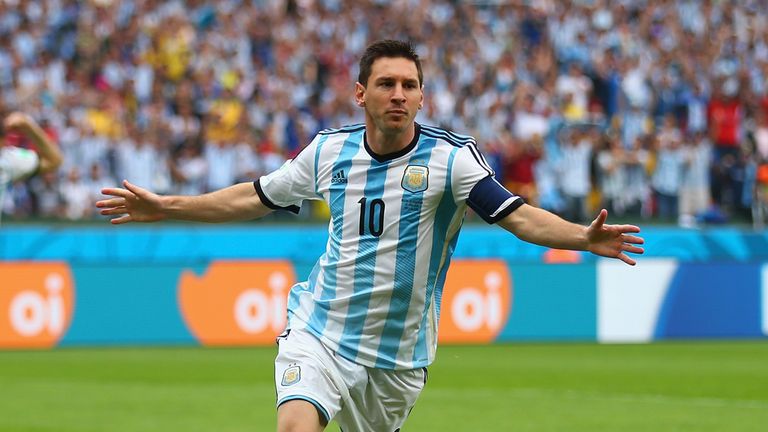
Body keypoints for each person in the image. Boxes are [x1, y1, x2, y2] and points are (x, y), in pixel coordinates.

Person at [96, 40, 644, 432]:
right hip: (322, 332)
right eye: (386, 84)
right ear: (362, 93)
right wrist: (166, 205)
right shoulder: (328, 152)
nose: (398, 94)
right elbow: (253, 196)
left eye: (409, 85)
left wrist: (581, 237)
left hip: (397, 357)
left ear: (423, 97)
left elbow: (516, 215)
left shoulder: (451, 161)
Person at [0, 111, 64, 224]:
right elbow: (54, 160)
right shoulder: (6, 159)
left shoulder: (7, 160)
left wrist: (28, 126)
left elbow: (54, 161)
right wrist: (28, 126)